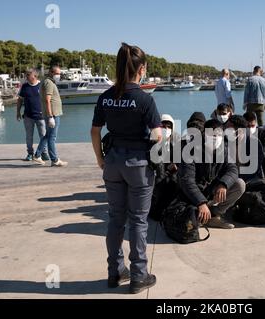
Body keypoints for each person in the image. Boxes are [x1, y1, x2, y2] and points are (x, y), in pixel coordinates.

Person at [90, 43, 162, 294]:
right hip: (138, 166)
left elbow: (95, 130)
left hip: (112, 163)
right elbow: (157, 135)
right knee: (139, 221)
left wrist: (100, 159)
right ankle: (138, 275)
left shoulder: (105, 96)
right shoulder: (144, 99)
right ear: (141, 69)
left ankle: (115, 271)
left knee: (115, 218)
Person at [178, 119, 246, 229]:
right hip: (191, 195)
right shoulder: (190, 150)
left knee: (240, 184)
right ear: (204, 134)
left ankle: (214, 215)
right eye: (211, 133)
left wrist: (223, 184)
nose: (215, 137)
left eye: (218, 134)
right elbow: (187, 181)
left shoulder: (224, 149)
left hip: (210, 191)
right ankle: (201, 214)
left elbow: (233, 169)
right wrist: (201, 202)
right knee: (188, 223)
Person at [33, 65, 68, 167]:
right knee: (52, 137)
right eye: (57, 73)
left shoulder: (48, 82)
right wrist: (50, 116)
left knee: (48, 135)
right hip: (52, 114)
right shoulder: (49, 83)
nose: (59, 75)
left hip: (52, 113)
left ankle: (37, 154)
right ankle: (54, 159)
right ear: (52, 73)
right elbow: (47, 100)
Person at [16, 69, 48, 161]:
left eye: (28, 75)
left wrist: (49, 114)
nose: (26, 76)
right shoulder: (24, 86)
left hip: (41, 116)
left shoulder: (42, 85)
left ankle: (44, 152)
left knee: (43, 135)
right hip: (28, 116)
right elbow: (20, 100)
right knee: (29, 136)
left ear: (35, 76)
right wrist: (18, 112)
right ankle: (30, 153)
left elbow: (48, 100)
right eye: (26, 74)